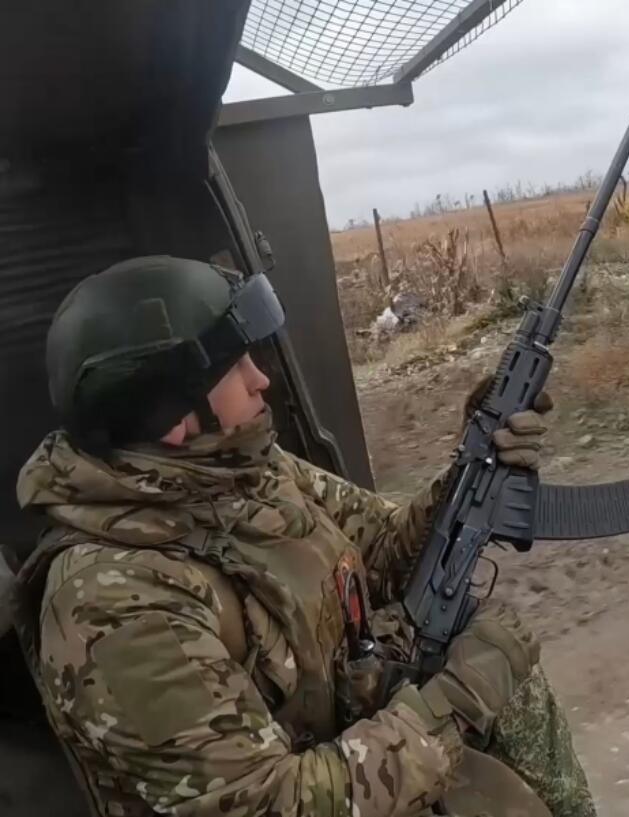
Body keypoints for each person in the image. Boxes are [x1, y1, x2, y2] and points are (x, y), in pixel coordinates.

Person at [11, 255, 595, 817]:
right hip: (326, 791)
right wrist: (453, 704)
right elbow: (274, 803)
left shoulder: (248, 470)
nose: (260, 378)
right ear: (171, 416)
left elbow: (386, 551)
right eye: (234, 367)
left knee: (514, 681)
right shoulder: (114, 605)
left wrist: (472, 468)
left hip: (361, 742)